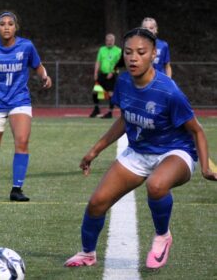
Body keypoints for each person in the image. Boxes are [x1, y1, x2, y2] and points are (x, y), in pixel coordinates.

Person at [64, 28, 217, 269]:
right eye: (128, 52)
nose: (133, 57)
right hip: (139, 153)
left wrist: (206, 167)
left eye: (141, 52)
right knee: (97, 203)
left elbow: (197, 130)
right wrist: (95, 150)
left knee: (156, 185)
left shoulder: (170, 91)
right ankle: (87, 253)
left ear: (154, 54)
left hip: (175, 152)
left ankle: (162, 236)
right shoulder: (123, 82)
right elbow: (126, 119)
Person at [0, 10, 52, 202]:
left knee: (21, 142)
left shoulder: (26, 46)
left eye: (10, 24)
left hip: (19, 101)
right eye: (2, 24)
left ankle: (17, 189)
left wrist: (44, 76)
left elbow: (38, 66)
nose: (6, 27)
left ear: (16, 27)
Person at [89, 33, 122, 118]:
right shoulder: (102, 49)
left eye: (111, 40)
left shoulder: (118, 51)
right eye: (108, 40)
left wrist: (113, 72)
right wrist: (95, 73)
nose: (109, 42)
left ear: (114, 41)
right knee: (95, 91)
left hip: (112, 75)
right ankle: (96, 109)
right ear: (105, 41)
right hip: (102, 74)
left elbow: (119, 64)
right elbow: (98, 61)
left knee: (111, 93)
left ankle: (110, 112)